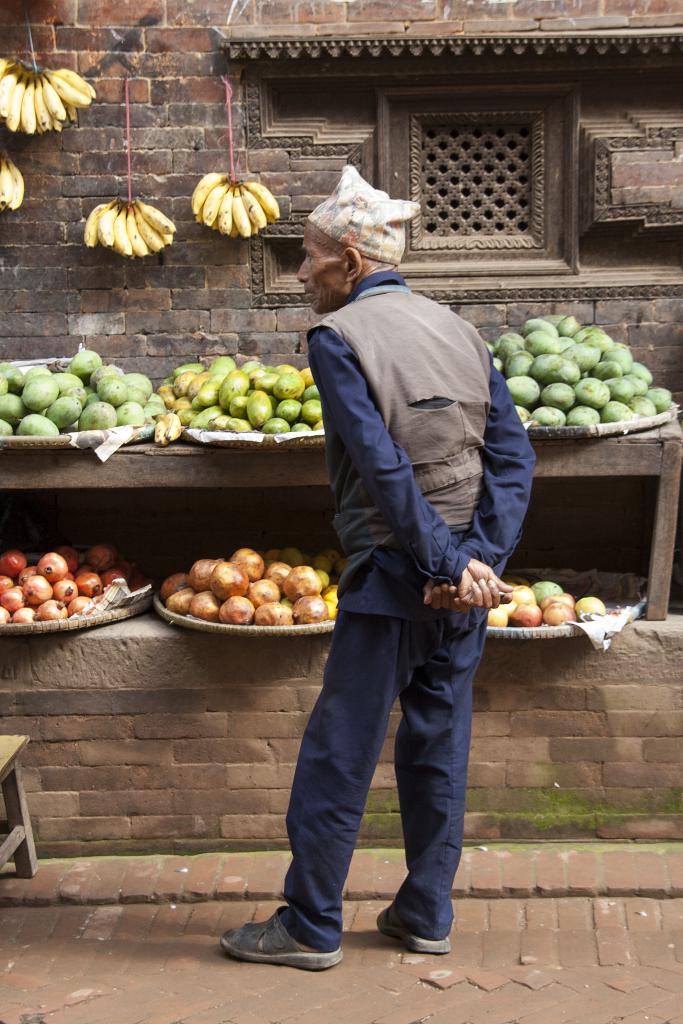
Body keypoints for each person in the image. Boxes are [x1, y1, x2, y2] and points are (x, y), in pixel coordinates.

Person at [221, 165, 536, 971]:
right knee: (438, 743)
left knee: (340, 749)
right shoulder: (458, 330)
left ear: (351, 261)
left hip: (396, 573)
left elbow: (382, 466)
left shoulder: (338, 339)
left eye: (310, 255)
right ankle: (426, 912)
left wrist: (439, 562)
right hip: (460, 577)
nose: (300, 272)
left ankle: (310, 925)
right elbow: (511, 454)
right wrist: (477, 562)